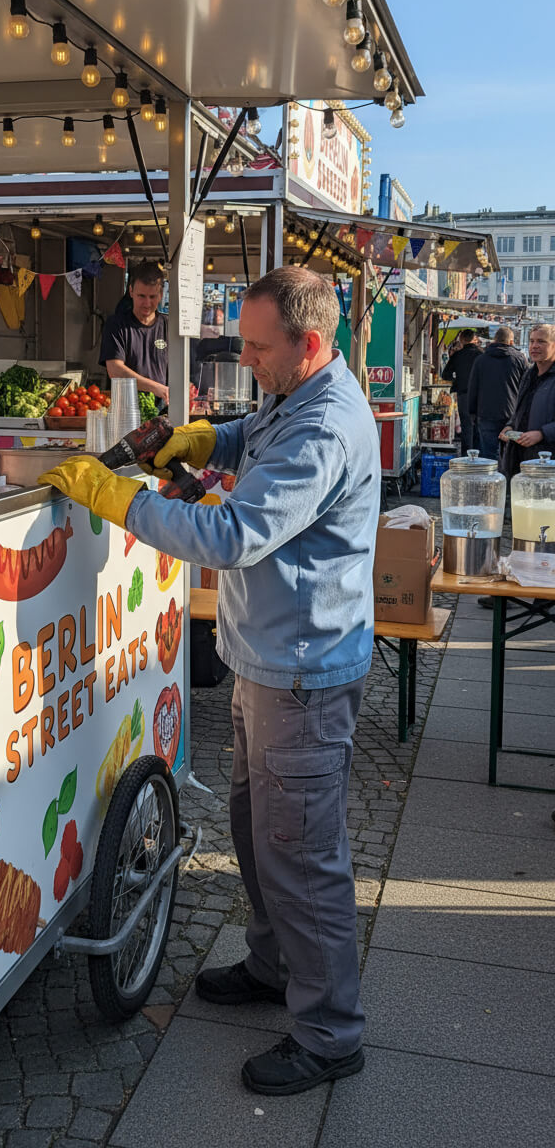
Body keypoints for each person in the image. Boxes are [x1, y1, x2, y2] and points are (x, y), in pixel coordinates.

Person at [45, 267, 380, 1096]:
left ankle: (332, 1032)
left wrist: (116, 498)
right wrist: (213, 438)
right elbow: (256, 438)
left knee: (302, 857)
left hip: (301, 672)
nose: (247, 358)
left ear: (308, 344)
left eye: (259, 348)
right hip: (268, 661)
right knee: (256, 828)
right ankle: (275, 967)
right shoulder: (294, 396)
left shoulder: (326, 428)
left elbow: (231, 534)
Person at [99, 259, 169, 406]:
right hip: (126, 410)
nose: (147, 303)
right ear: (131, 291)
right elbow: (115, 370)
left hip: (164, 411)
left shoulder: (169, 325)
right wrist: (156, 388)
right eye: (141, 296)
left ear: (161, 294)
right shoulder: (116, 324)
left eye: (153, 297)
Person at [500, 323, 555, 480]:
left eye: (541, 341)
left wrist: (542, 434)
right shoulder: (528, 374)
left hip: (547, 462)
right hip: (520, 459)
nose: (535, 346)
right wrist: (510, 425)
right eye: (532, 341)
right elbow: (522, 409)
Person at [467, 326, 527, 462]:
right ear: (511, 342)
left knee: (489, 456)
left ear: (494, 341)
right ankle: (508, 481)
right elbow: (527, 388)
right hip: (512, 415)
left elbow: (473, 388)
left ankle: (492, 482)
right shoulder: (519, 359)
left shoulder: (481, 360)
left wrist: (472, 413)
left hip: (486, 413)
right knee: (511, 454)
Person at [441, 327, 483, 455]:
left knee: (466, 425)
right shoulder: (482, 354)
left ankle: (466, 454)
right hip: (480, 395)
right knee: (479, 424)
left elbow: (445, 374)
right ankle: (478, 453)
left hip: (463, 393)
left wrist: (456, 378)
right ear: (474, 339)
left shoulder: (458, 355)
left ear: (461, 339)